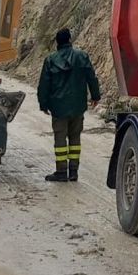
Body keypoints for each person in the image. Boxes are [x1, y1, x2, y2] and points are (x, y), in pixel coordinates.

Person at [37, 28, 100, 182]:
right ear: (70, 40)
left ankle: (61, 171)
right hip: (78, 105)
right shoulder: (82, 56)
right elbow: (91, 77)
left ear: (57, 42)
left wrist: (43, 104)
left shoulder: (51, 60)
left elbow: (44, 84)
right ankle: (73, 172)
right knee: (75, 138)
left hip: (58, 107)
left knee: (60, 140)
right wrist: (95, 96)